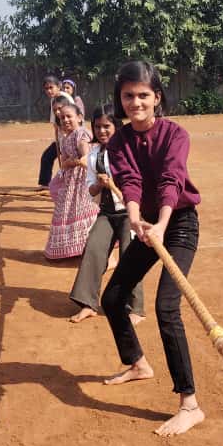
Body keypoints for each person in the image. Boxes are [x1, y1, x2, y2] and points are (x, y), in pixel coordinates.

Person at [101, 60, 204, 437]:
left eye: (143, 95)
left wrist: (161, 224)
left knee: (166, 307)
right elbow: (129, 181)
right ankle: (138, 363)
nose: (136, 103)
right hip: (146, 225)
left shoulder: (176, 134)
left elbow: (170, 180)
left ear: (157, 97)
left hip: (178, 223)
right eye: (128, 96)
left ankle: (190, 405)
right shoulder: (118, 142)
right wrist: (135, 220)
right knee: (114, 297)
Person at [69, 104, 145, 324]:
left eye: (106, 126)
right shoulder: (94, 155)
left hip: (129, 211)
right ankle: (88, 303)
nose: (101, 131)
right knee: (93, 247)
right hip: (107, 212)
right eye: (97, 127)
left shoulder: (129, 149)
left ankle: (135, 307)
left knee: (130, 255)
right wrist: (100, 185)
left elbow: (138, 181)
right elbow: (90, 190)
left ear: (117, 126)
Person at [44, 103, 98, 260]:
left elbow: (85, 157)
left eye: (69, 116)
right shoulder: (66, 137)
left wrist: (75, 161)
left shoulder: (81, 134)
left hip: (82, 181)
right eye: (62, 118)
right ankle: (74, 248)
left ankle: (92, 250)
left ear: (79, 118)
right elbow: (65, 162)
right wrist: (68, 163)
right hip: (70, 182)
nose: (65, 120)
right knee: (67, 211)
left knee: (83, 211)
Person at [37, 75, 74, 189]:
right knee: (48, 157)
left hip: (71, 137)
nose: (49, 91)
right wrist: (58, 140)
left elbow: (72, 119)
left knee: (72, 162)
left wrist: (66, 139)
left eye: (51, 87)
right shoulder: (54, 99)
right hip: (62, 136)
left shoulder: (64, 99)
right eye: (46, 88)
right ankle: (45, 183)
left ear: (58, 86)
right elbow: (55, 124)